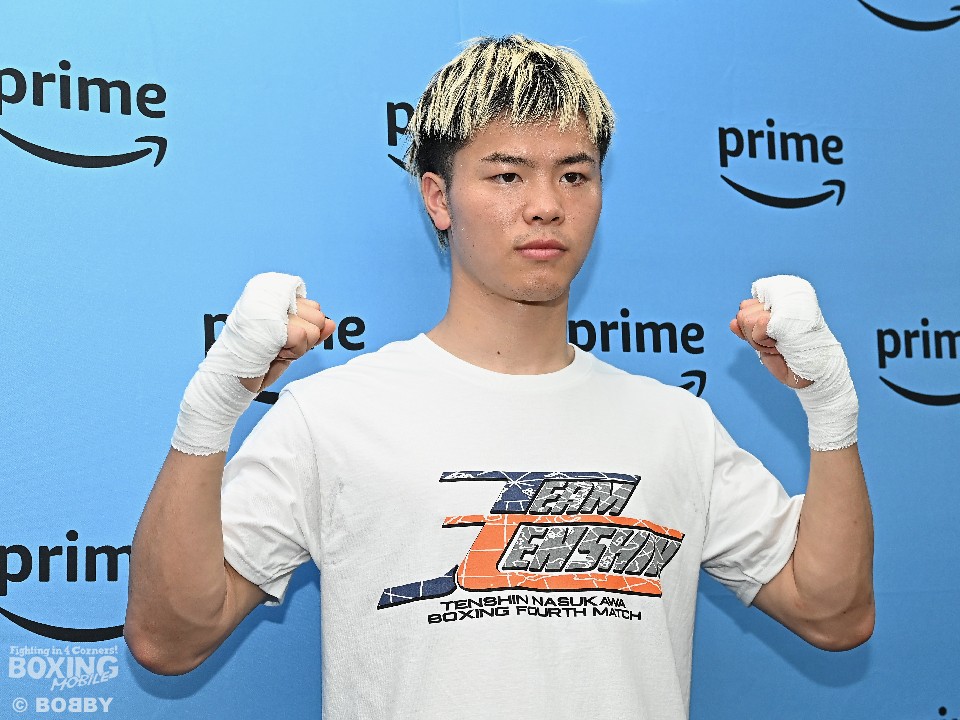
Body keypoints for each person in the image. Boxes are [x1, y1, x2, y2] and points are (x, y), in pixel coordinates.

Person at [125, 35, 874, 719]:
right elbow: (168, 637)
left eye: (574, 175)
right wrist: (212, 408)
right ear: (438, 198)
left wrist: (831, 406)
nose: (546, 206)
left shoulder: (676, 424)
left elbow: (833, 614)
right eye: (508, 175)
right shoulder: (333, 415)